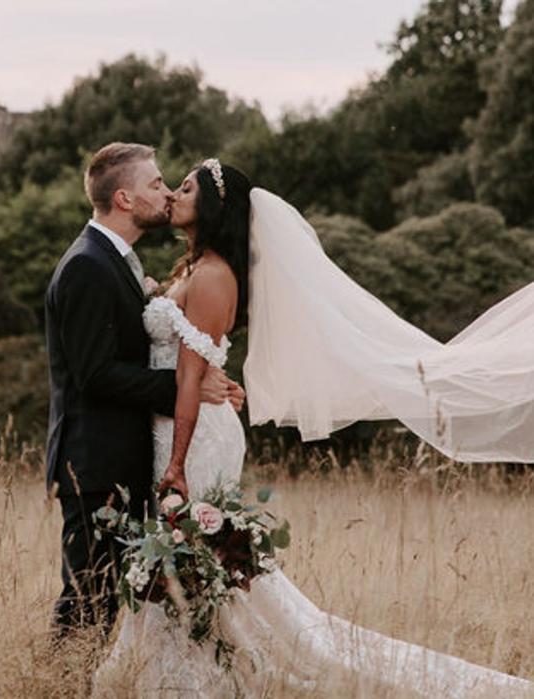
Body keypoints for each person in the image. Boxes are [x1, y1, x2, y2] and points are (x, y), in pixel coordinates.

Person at [91, 158, 534, 697]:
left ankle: (204, 676)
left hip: (192, 437)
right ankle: (186, 671)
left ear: (214, 206)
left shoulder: (210, 277)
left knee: (196, 560)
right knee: (194, 565)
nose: (174, 195)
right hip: (180, 425)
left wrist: (179, 465)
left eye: (185, 188)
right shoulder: (196, 267)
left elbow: (187, 382)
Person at [44, 143, 244, 636]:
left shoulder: (117, 260)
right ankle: (59, 685)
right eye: (156, 184)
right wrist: (187, 387)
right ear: (125, 199)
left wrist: (199, 378)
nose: (167, 190)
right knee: (90, 596)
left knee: (117, 595)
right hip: (94, 462)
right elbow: (94, 374)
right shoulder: (88, 265)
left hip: (125, 456)